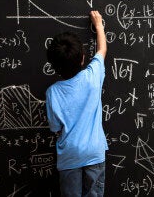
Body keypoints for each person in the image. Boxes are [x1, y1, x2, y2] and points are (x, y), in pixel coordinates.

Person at [45, 10, 108, 197]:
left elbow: (55, 127)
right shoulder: (92, 76)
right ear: (82, 59)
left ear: (54, 66)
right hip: (94, 153)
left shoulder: (52, 92)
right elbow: (102, 50)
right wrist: (98, 26)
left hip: (69, 156)